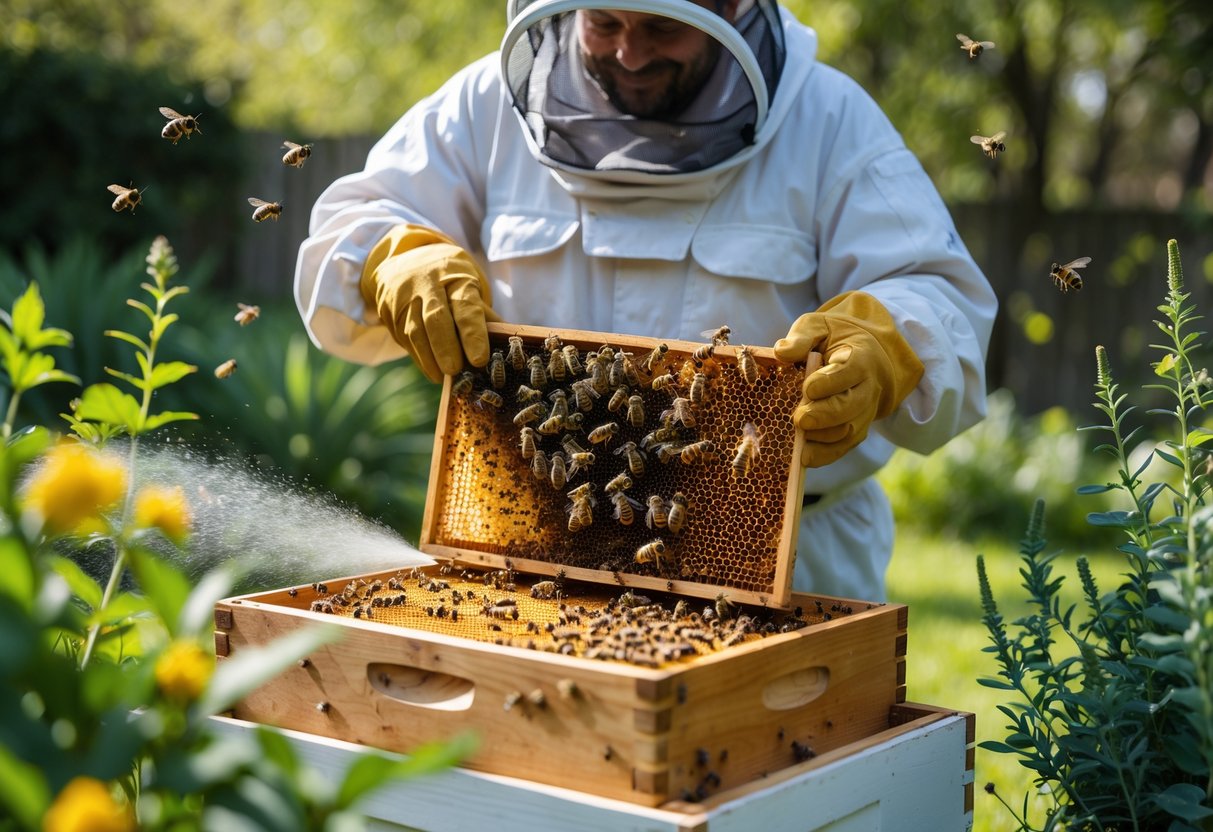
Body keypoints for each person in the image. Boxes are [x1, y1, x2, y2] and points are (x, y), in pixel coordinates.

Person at [294, 0, 998, 601]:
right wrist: (395, 255)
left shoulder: (829, 120)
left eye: (663, 27)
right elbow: (356, 221)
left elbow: (939, 294)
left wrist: (885, 340)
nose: (629, 53)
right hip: (536, 534)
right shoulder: (485, 105)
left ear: (729, 6)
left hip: (782, 553)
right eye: (603, 22)